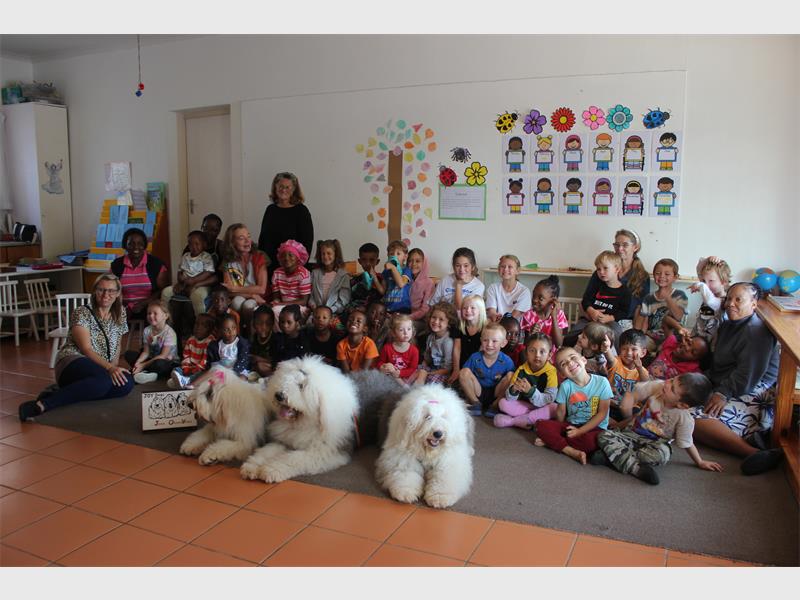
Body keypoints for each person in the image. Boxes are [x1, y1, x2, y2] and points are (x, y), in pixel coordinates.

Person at [690, 282, 783, 475]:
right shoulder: (728, 325)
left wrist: (722, 394)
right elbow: (719, 365)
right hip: (728, 383)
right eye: (729, 299)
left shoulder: (757, 331)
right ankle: (746, 435)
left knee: (691, 419)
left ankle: (753, 453)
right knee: (681, 398)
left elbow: (747, 375)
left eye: (738, 299)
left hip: (755, 388)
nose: (731, 304)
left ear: (753, 304)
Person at [19, 274, 134, 420]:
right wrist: (110, 368)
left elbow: (117, 344)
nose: (106, 294)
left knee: (126, 384)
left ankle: (69, 392)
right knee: (103, 381)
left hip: (101, 366)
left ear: (117, 293)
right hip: (74, 360)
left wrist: (114, 367)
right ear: (95, 291)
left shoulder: (120, 312)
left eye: (111, 291)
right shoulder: (82, 312)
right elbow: (86, 349)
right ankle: (44, 404)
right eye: (101, 290)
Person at [592, 374, 723, 485]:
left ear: (682, 405)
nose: (667, 383)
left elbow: (687, 442)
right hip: (630, 434)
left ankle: (612, 457)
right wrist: (628, 402)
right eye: (672, 379)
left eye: (672, 388)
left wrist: (700, 461)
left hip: (654, 444)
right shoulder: (659, 386)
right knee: (603, 435)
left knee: (662, 455)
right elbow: (635, 392)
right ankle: (635, 468)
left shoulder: (685, 419)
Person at [534, 346, 613, 465]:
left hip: (595, 428)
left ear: (584, 360)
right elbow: (561, 412)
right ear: (562, 374)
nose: (570, 363)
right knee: (540, 425)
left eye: (573, 358)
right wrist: (559, 428)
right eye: (563, 364)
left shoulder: (602, 382)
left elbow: (602, 413)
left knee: (591, 442)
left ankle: (554, 442)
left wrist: (580, 431)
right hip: (572, 426)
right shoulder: (565, 386)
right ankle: (570, 451)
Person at [493, 333, 558, 429]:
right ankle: (530, 418)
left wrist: (530, 391)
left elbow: (549, 398)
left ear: (549, 355)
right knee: (503, 403)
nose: (537, 355)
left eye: (542, 352)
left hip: (543, 406)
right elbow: (510, 398)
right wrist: (513, 390)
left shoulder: (551, 371)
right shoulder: (521, 370)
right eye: (532, 351)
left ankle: (513, 421)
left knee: (554, 407)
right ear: (526, 353)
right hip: (526, 406)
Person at [584, 229, 650, 323]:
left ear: (635, 247)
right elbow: (586, 298)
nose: (620, 249)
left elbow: (643, 308)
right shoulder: (601, 271)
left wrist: (637, 330)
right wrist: (591, 312)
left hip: (626, 322)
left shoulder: (642, 276)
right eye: (617, 245)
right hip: (596, 318)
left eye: (625, 245)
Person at [162, 230, 217, 339]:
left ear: (204, 244)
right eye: (191, 244)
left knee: (197, 296)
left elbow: (208, 272)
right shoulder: (186, 256)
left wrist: (194, 281)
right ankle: (165, 321)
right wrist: (180, 280)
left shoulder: (206, 256)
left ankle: (201, 323)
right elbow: (180, 271)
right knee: (166, 292)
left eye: (197, 244)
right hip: (185, 284)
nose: (194, 247)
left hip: (202, 285)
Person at [567, 250, 631, 344]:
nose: (601, 272)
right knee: (572, 334)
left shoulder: (625, 291)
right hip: (589, 319)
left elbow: (624, 312)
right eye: (598, 269)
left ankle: (614, 354)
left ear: (617, 269)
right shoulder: (597, 285)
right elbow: (586, 300)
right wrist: (591, 311)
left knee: (617, 334)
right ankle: (566, 351)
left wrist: (610, 318)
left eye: (605, 268)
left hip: (609, 322)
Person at [257, 172, 314, 276]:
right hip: (270, 268)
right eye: (281, 186)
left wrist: (297, 267)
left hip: (292, 269)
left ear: (294, 190)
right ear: (275, 187)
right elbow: (263, 239)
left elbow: (307, 243)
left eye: (288, 187)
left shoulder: (301, 211)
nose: (284, 190)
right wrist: (261, 262)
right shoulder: (270, 210)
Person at [110, 228, 170, 321]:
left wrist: (144, 304)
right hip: (123, 308)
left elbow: (163, 290)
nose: (136, 247)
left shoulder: (156, 264)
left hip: (149, 308)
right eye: (131, 244)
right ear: (125, 246)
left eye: (140, 244)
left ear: (144, 245)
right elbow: (111, 289)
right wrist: (124, 307)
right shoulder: (116, 265)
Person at [458, 323, 515, 417]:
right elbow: (464, 377)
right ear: (481, 340)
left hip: (496, 393)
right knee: (464, 372)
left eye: (494, 341)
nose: (489, 344)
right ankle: (475, 403)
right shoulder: (475, 357)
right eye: (485, 340)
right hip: (478, 391)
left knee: (511, 376)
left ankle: (495, 406)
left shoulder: (507, 361)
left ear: (503, 343)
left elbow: (512, 382)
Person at [221, 223, 269, 330]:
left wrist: (236, 289)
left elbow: (261, 289)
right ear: (232, 242)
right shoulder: (227, 261)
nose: (247, 241)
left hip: (260, 298)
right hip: (243, 296)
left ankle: (249, 333)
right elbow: (228, 291)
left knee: (249, 306)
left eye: (249, 236)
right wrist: (251, 294)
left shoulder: (259, 256)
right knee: (236, 302)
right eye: (241, 238)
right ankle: (238, 332)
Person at [634, 258, 688, 352]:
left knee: (663, 349)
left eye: (667, 274)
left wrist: (668, 298)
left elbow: (678, 316)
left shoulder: (680, 295)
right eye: (658, 273)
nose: (662, 276)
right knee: (638, 344)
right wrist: (641, 337)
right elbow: (645, 321)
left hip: (673, 336)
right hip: (652, 337)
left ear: (675, 277)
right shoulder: (648, 298)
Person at [124, 300, 178, 384]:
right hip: (152, 359)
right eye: (149, 313)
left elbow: (163, 356)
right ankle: (147, 373)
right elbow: (146, 352)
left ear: (165, 316)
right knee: (129, 354)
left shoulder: (170, 333)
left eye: (155, 313)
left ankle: (148, 372)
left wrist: (143, 365)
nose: (151, 316)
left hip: (166, 361)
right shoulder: (147, 330)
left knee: (159, 364)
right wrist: (138, 362)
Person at [604, 328, 650, 421]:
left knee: (638, 415)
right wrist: (607, 349)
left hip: (630, 408)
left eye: (634, 349)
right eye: (624, 349)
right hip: (609, 403)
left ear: (643, 353)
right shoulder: (616, 362)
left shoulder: (642, 371)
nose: (628, 353)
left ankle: (622, 425)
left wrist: (639, 368)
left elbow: (645, 383)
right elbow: (610, 359)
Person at [682, 256, 731, 342]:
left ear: (723, 282)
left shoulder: (724, 300)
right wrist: (707, 260)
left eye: (711, 281)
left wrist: (701, 285)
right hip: (698, 335)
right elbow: (699, 269)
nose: (706, 285)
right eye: (704, 281)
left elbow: (710, 301)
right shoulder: (708, 291)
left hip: (711, 343)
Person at [518, 275, 568, 352]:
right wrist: (531, 334)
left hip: (553, 356)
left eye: (540, 298)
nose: (534, 300)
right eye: (534, 295)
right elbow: (526, 345)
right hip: (535, 355)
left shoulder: (559, 315)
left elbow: (559, 344)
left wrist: (554, 317)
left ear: (553, 299)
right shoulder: (528, 316)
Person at [414, 301, 458, 386]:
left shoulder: (448, 342)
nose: (436, 322)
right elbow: (427, 359)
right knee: (415, 372)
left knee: (430, 381)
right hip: (432, 368)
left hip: (443, 373)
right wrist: (422, 370)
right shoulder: (431, 337)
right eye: (434, 317)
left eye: (441, 319)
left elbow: (447, 369)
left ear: (449, 323)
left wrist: (427, 374)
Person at [309, 239, 351, 326]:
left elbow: (343, 300)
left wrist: (329, 311)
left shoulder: (343, 275)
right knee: (309, 326)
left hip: (335, 313)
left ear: (336, 255)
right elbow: (311, 294)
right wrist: (314, 307)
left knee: (336, 327)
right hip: (316, 313)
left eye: (329, 253)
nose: (325, 256)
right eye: (323, 253)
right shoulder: (314, 273)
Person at [271, 239, 312, 326]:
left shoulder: (303, 274)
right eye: (283, 255)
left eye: (290, 255)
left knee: (277, 311)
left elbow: (304, 301)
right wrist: (275, 302)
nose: (286, 258)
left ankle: (286, 334)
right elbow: (276, 297)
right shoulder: (277, 273)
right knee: (269, 311)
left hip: (300, 307)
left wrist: (281, 304)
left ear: (298, 258)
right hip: (281, 306)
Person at [169, 313, 216, 389]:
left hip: (200, 369)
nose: (198, 327)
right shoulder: (191, 340)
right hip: (190, 368)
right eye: (196, 324)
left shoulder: (210, 341)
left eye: (204, 326)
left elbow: (205, 361)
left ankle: (186, 381)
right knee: (176, 369)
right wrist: (186, 368)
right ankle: (181, 380)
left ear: (210, 330)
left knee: (201, 374)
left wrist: (195, 369)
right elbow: (186, 356)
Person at [485, 255, 532, 323]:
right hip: (496, 324)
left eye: (510, 267)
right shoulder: (493, 288)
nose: (505, 269)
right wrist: (494, 316)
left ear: (517, 271)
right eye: (503, 266)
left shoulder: (524, 291)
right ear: (498, 269)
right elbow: (491, 312)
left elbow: (514, 317)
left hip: (514, 326)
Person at [377, 313, 420, 385]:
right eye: (401, 330)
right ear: (393, 333)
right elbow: (380, 362)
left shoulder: (414, 350)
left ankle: (405, 387)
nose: (406, 333)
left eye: (409, 329)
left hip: (406, 376)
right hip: (390, 376)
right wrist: (382, 367)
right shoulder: (387, 348)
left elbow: (412, 369)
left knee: (420, 372)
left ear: (412, 331)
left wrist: (400, 373)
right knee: (389, 367)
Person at [205, 313, 251, 379]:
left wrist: (233, 372)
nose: (231, 332)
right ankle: (192, 384)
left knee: (242, 378)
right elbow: (213, 362)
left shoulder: (242, 343)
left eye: (233, 328)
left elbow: (243, 359)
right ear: (220, 331)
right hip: (223, 370)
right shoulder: (216, 346)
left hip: (239, 370)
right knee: (208, 375)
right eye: (226, 329)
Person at [452, 294, 487, 379]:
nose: (468, 310)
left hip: (478, 365)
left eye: (472, 308)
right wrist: (456, 369)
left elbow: (481, 353)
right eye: (464, 308)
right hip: (461, 363)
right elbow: (457, 349)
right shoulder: (459, 326)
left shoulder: (485, 328)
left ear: (480, 310)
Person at [374, 240, 413, 314]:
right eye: (391, 254)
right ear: (388, 256)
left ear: (405, 257)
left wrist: (393, 268)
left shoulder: (406, 270)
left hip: (403, 308)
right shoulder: (386, 271)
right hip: (387, 308)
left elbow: (401, 284)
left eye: (398, 254)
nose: (394, 256)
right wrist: (374, 277)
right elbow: (382, 291)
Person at [337, 309, 379, 373]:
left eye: (358, 321)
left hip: (368, 375)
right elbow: (346, 371)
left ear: (365, 328)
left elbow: (364, 371)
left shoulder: (370, 344)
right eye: (350, 320)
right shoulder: (341, 345)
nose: (354, 322)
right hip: (349, 375)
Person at [347, 242, 383, 314]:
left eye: (372, 260)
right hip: (356, 314)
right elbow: (348, 300)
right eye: (364, 260)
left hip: (374, 314)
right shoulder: (354, 281)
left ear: (377, 261)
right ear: (359, 261)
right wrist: (351, 308)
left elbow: (384, 300)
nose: (367, 264)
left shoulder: (382, 280)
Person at [407, 247, 435, 330]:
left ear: (424, 263)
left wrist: (407, 317)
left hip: (421, 320)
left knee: (401, 325)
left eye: (417, 261)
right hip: (405, 315)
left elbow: (425, 310)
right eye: (410, 261)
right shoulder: (405, 280)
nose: (413, 264)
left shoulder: (428, 283)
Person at [249, 305, 275, 379]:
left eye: (268, 324)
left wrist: (259, 359)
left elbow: (277, 362)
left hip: (272, 367)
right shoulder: (254, 337)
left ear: (272, 324)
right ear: (254, 324)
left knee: (260, 366)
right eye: (259, 323)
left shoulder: (275, 339)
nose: (263, 327)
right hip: (259, 367)